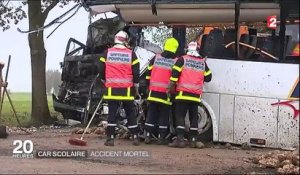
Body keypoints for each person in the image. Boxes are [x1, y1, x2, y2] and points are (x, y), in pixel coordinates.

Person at [98, 30, 140, 146]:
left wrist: (103, 79)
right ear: (125, 40)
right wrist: (135, 85)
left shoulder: (107, 53)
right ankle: (135, 137)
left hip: (112, 88)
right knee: (130, 112)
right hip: (127, 89)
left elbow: (101, 69)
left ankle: (110, 138)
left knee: (112, 114)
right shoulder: (131, 54)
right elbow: (136, 72)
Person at [168, 41, 212, 148]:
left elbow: (174, 75)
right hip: (195, 96)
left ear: (187, 49)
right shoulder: (202, 62)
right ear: (197, 49)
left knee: (180, 116)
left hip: (182, 94)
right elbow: (208, 77)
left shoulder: (183, 59)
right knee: (193, 117)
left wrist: (171, 87)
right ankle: (193, 140)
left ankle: (180, 140)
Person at [144, 37, 179, 145]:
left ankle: (148, 136)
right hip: (166, 93)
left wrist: (147, 86)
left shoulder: (156, 58)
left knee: (152, 113)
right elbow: (177, 78)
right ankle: (161, 137)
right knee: (164, 115)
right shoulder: (176, 61)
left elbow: (147, 74)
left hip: (153, 91)